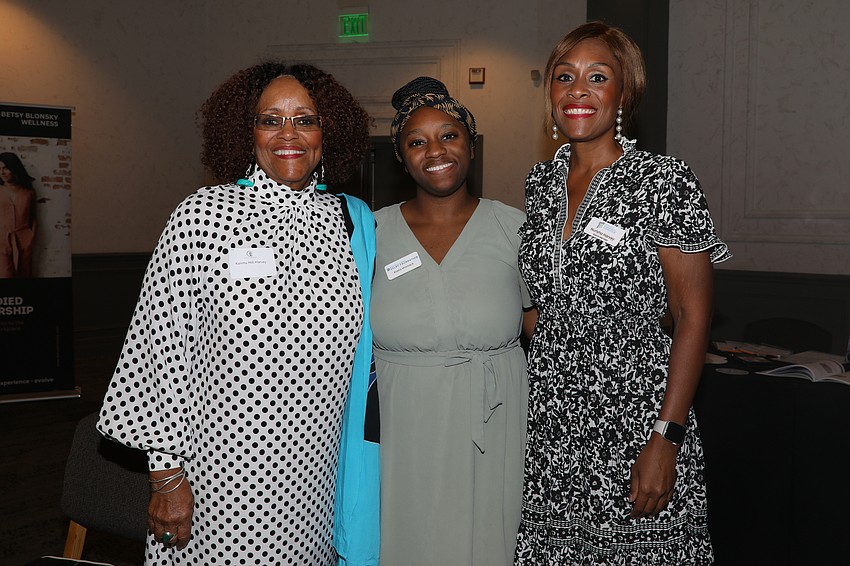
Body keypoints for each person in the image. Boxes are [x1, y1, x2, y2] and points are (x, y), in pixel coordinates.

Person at [97, 62, 379, 566]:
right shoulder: (204, 213)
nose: (288, 135)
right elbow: (159, 349)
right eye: (270, 120)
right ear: (246, 133)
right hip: (218, 485)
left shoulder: (348, 223)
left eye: (305, 120)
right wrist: (166, 476)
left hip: (315, 481)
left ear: (327, 133)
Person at [514, 22, 730, 565]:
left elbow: (693, 319)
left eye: (597, 77)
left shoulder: (663, 180)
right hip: (552, 428)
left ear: (623, 93)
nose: (578, 91)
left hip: (635, 420)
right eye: (565, 77)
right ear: (550, 94)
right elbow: (540, 308)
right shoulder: (539, 185)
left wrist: (667, 436)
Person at [372, 76, 535, 566]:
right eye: (416, 142)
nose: (435, 151)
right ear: (401, 157)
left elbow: (546, 335)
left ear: (471, 144)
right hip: (403, 428)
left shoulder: (515, 229)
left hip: (496, 419)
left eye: (449, 135)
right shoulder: (370, 234)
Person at [0, 152, 36, 278]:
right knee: (5, 276)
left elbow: (33, 217)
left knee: (24, 278)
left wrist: (31, 237)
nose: (2, 172)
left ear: (14, 168)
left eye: (5, 168)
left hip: (24, 241)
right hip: (2, 242)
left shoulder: (28, 192)